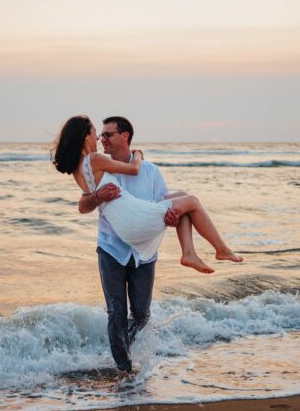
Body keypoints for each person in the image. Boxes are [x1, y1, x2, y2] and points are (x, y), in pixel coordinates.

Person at [52, 115, 242, 373]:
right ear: (85, 136)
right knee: (116, 312)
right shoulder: (99, 162)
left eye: (107, 134)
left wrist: (171, 217)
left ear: (125, 136)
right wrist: (135, 158)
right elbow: (89, 201)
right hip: (117, 242)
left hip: (142, 241)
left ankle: (125, 356)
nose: (101, 138)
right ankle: (218, 249)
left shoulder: (85, 166)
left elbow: (160, 201)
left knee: (141, 314)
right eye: (98, 133)